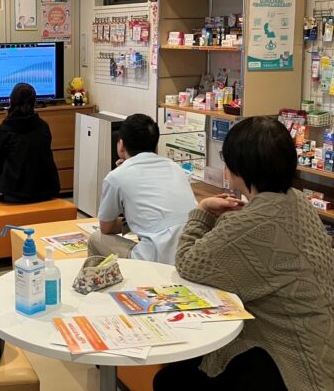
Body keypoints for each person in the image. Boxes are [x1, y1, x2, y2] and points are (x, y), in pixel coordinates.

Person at [153, 117, 334, 391]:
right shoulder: (297, 201)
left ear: (239, 167)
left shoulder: (252, 222)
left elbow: (188, 262)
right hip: (320, 346)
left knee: (171, 380)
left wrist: (202, 211)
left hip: (291, 364)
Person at [87, 114, 196, 265]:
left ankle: (96, 280)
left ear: (121, 145)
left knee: (96, 239)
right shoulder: (175, 167)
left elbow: (106, 228)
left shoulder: (117, 176)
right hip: (191, 254)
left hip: (155, 258)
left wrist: (129, 220)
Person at [0, 83, 60, 203]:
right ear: (34, 102)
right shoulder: (43, 126)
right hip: (46, 190)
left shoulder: (3, 131)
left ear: (11, 101)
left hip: (14, 193)